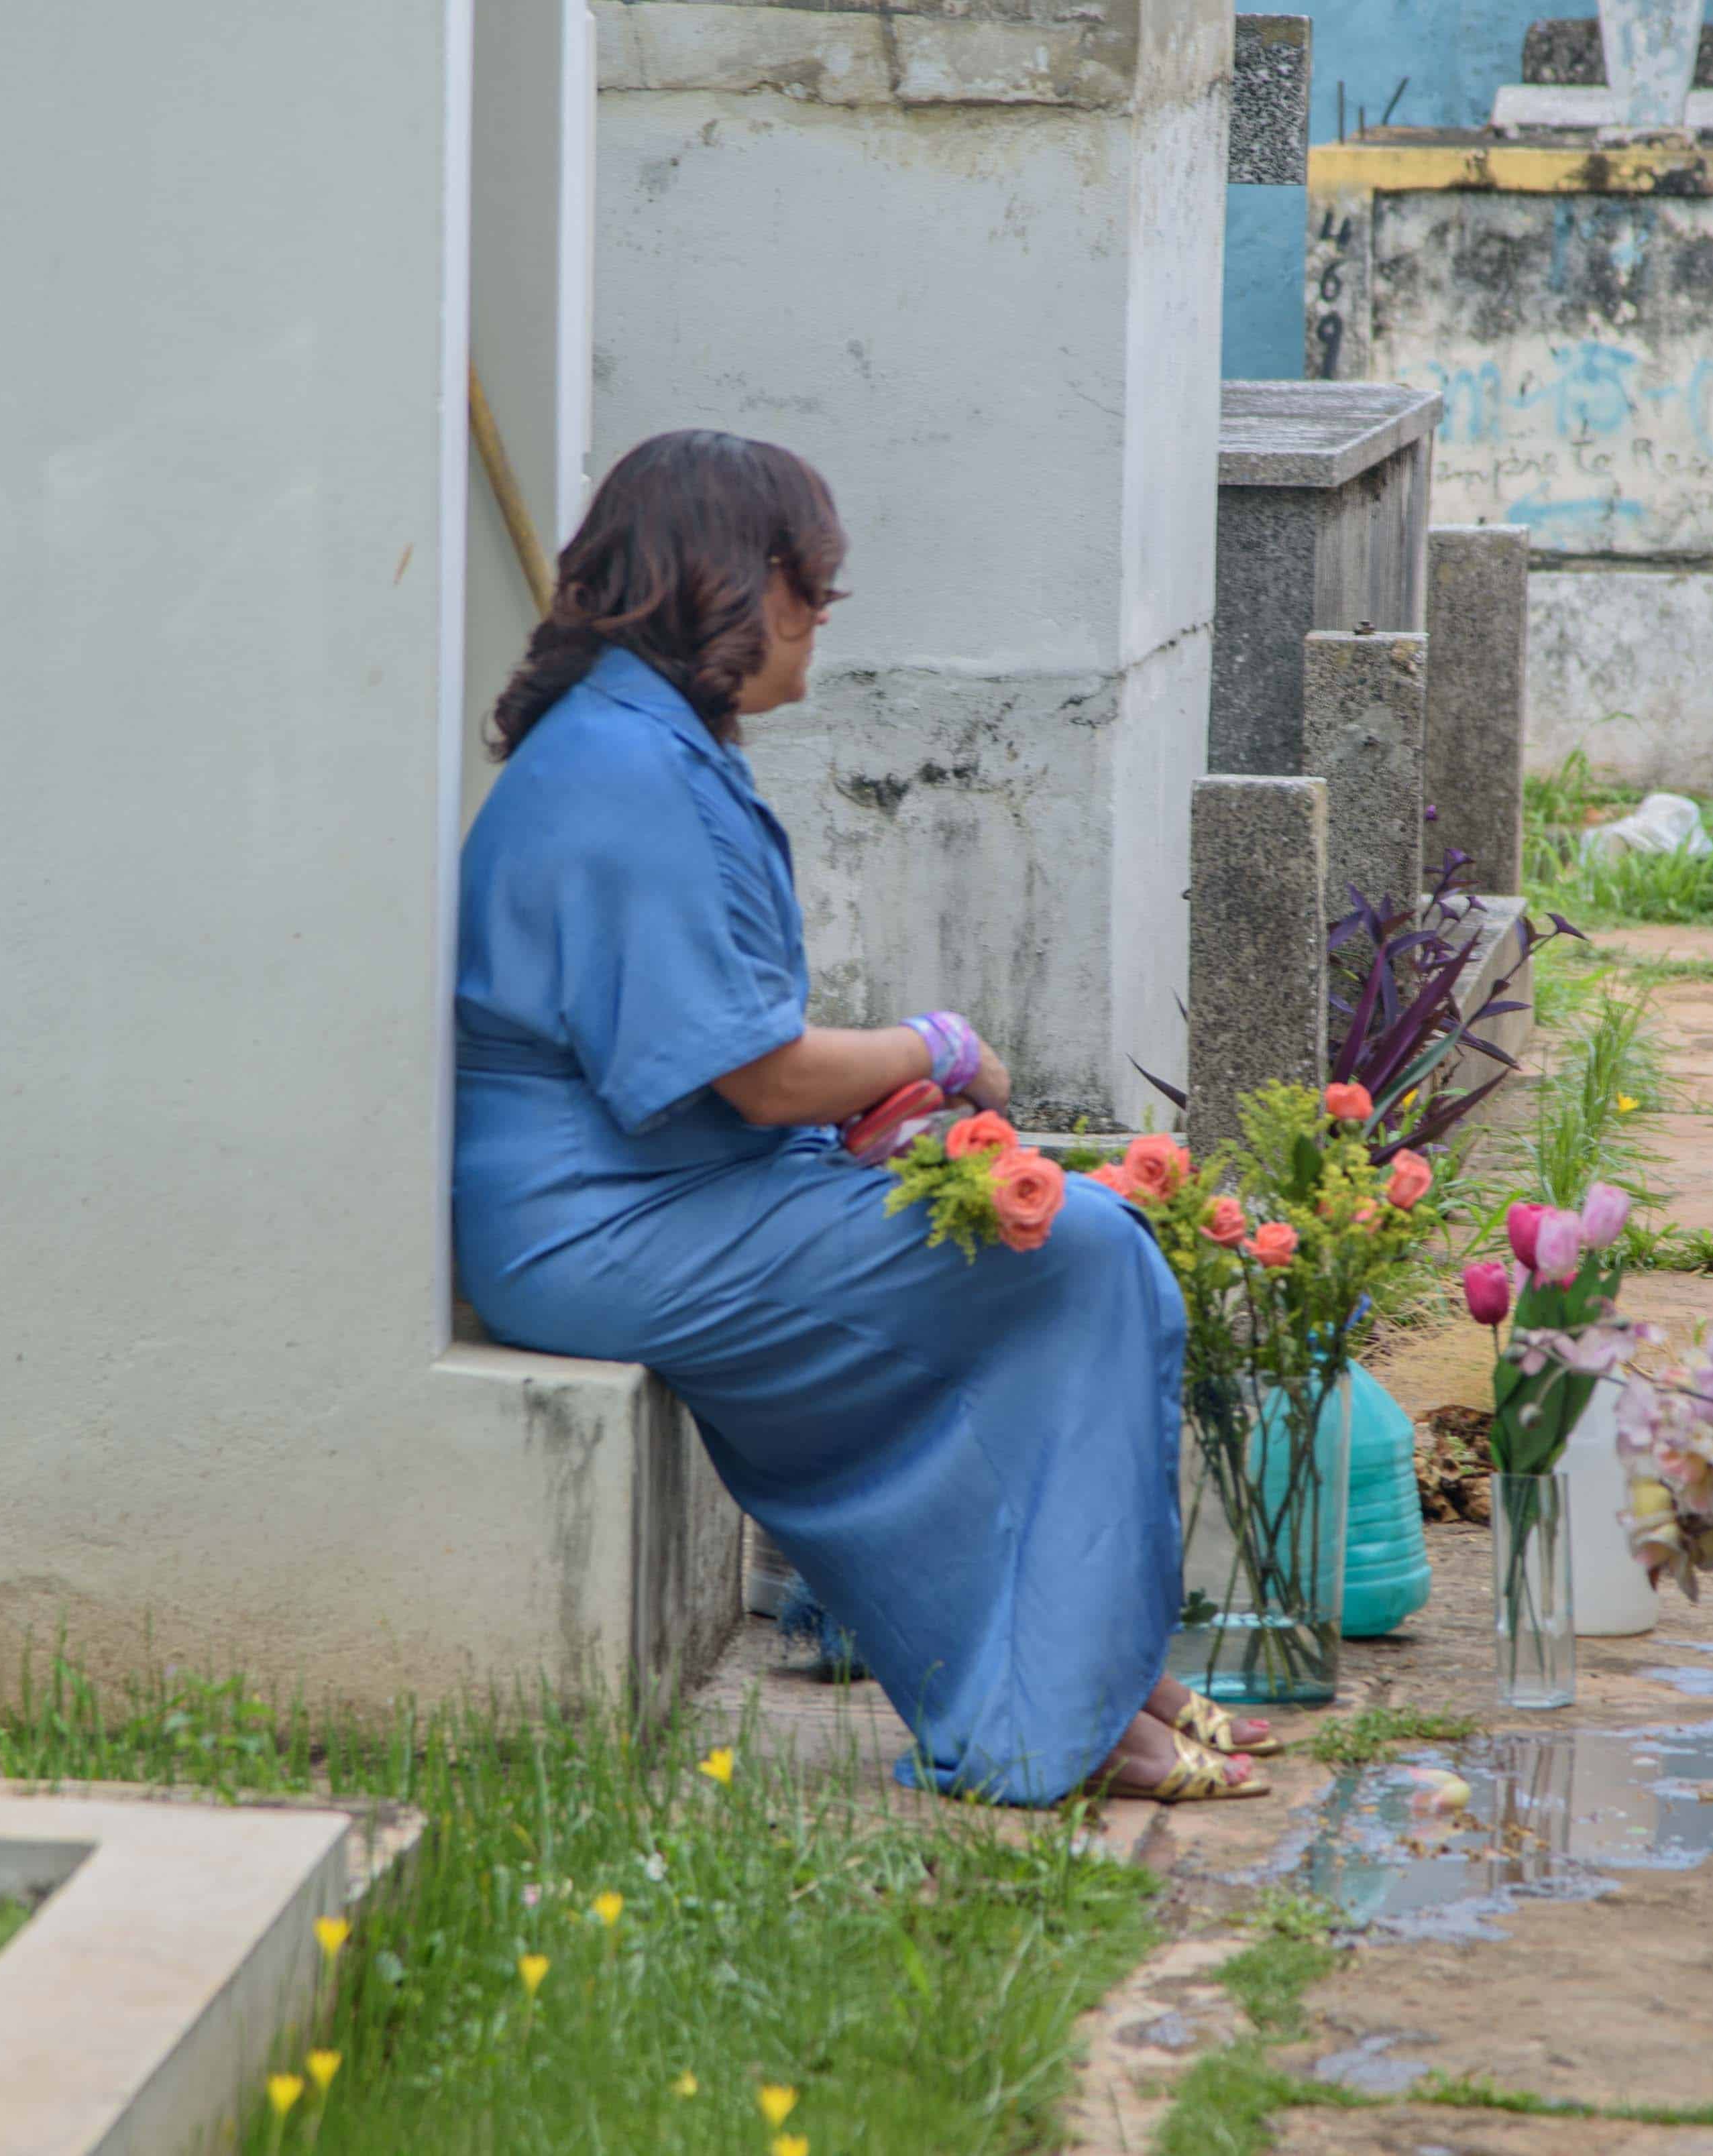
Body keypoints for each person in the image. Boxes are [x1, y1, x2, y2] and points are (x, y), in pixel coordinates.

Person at [454, 429, 1275, 1804]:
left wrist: (869, 1115)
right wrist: (940, 1048)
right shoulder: (624, 768)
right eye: (814, 587)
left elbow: (704, 1069)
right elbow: (759, 1077)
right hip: (599, 1231)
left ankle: (1089, 1676)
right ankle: (1061, 1706)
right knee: (1072, 1255)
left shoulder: (633, 740)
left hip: (651, 1197)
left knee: (1051, 1256)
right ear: (740, 583)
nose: (821, 621)